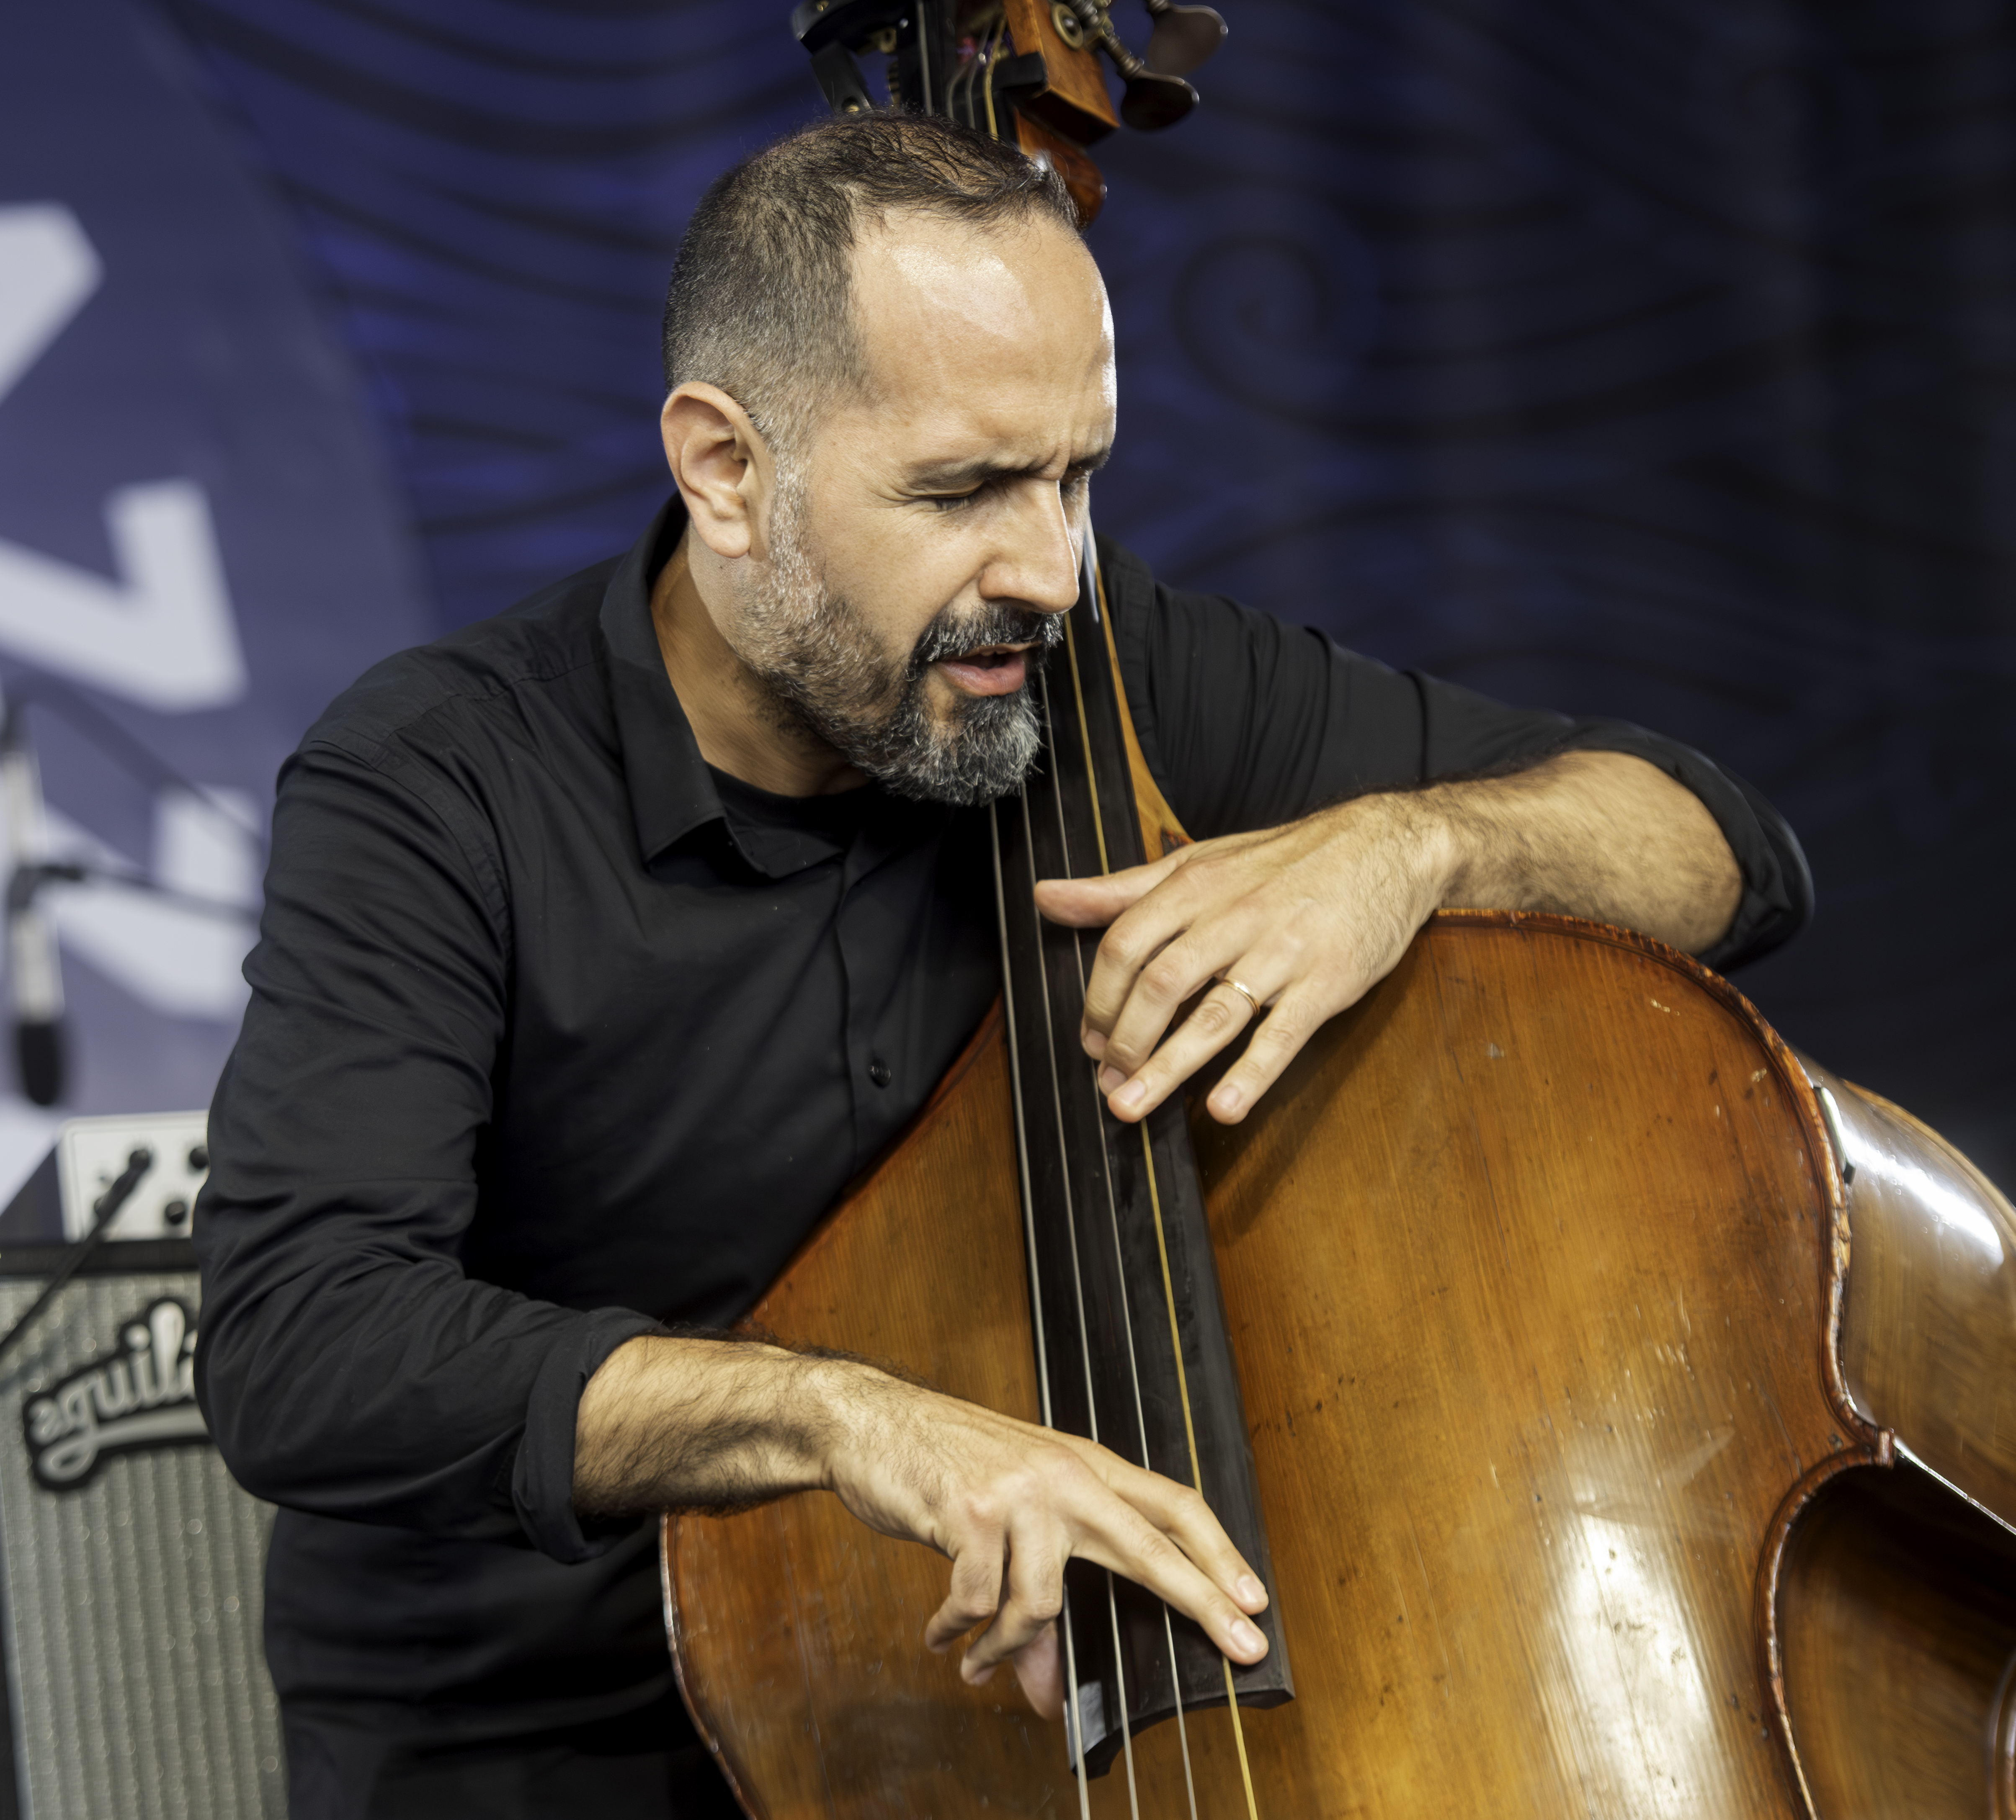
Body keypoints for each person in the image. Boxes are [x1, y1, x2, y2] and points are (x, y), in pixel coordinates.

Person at [193, 112, 1809, 1819]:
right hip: (542, 1743)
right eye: (965, 489)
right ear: (727, 470)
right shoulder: (438, 779)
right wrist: (847, 1421)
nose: (1048, 570)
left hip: (1025, 1719)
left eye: (1081, 475)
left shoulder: (1093, 664)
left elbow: (1718, 842)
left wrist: (1414, 849)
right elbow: (303, 1341)